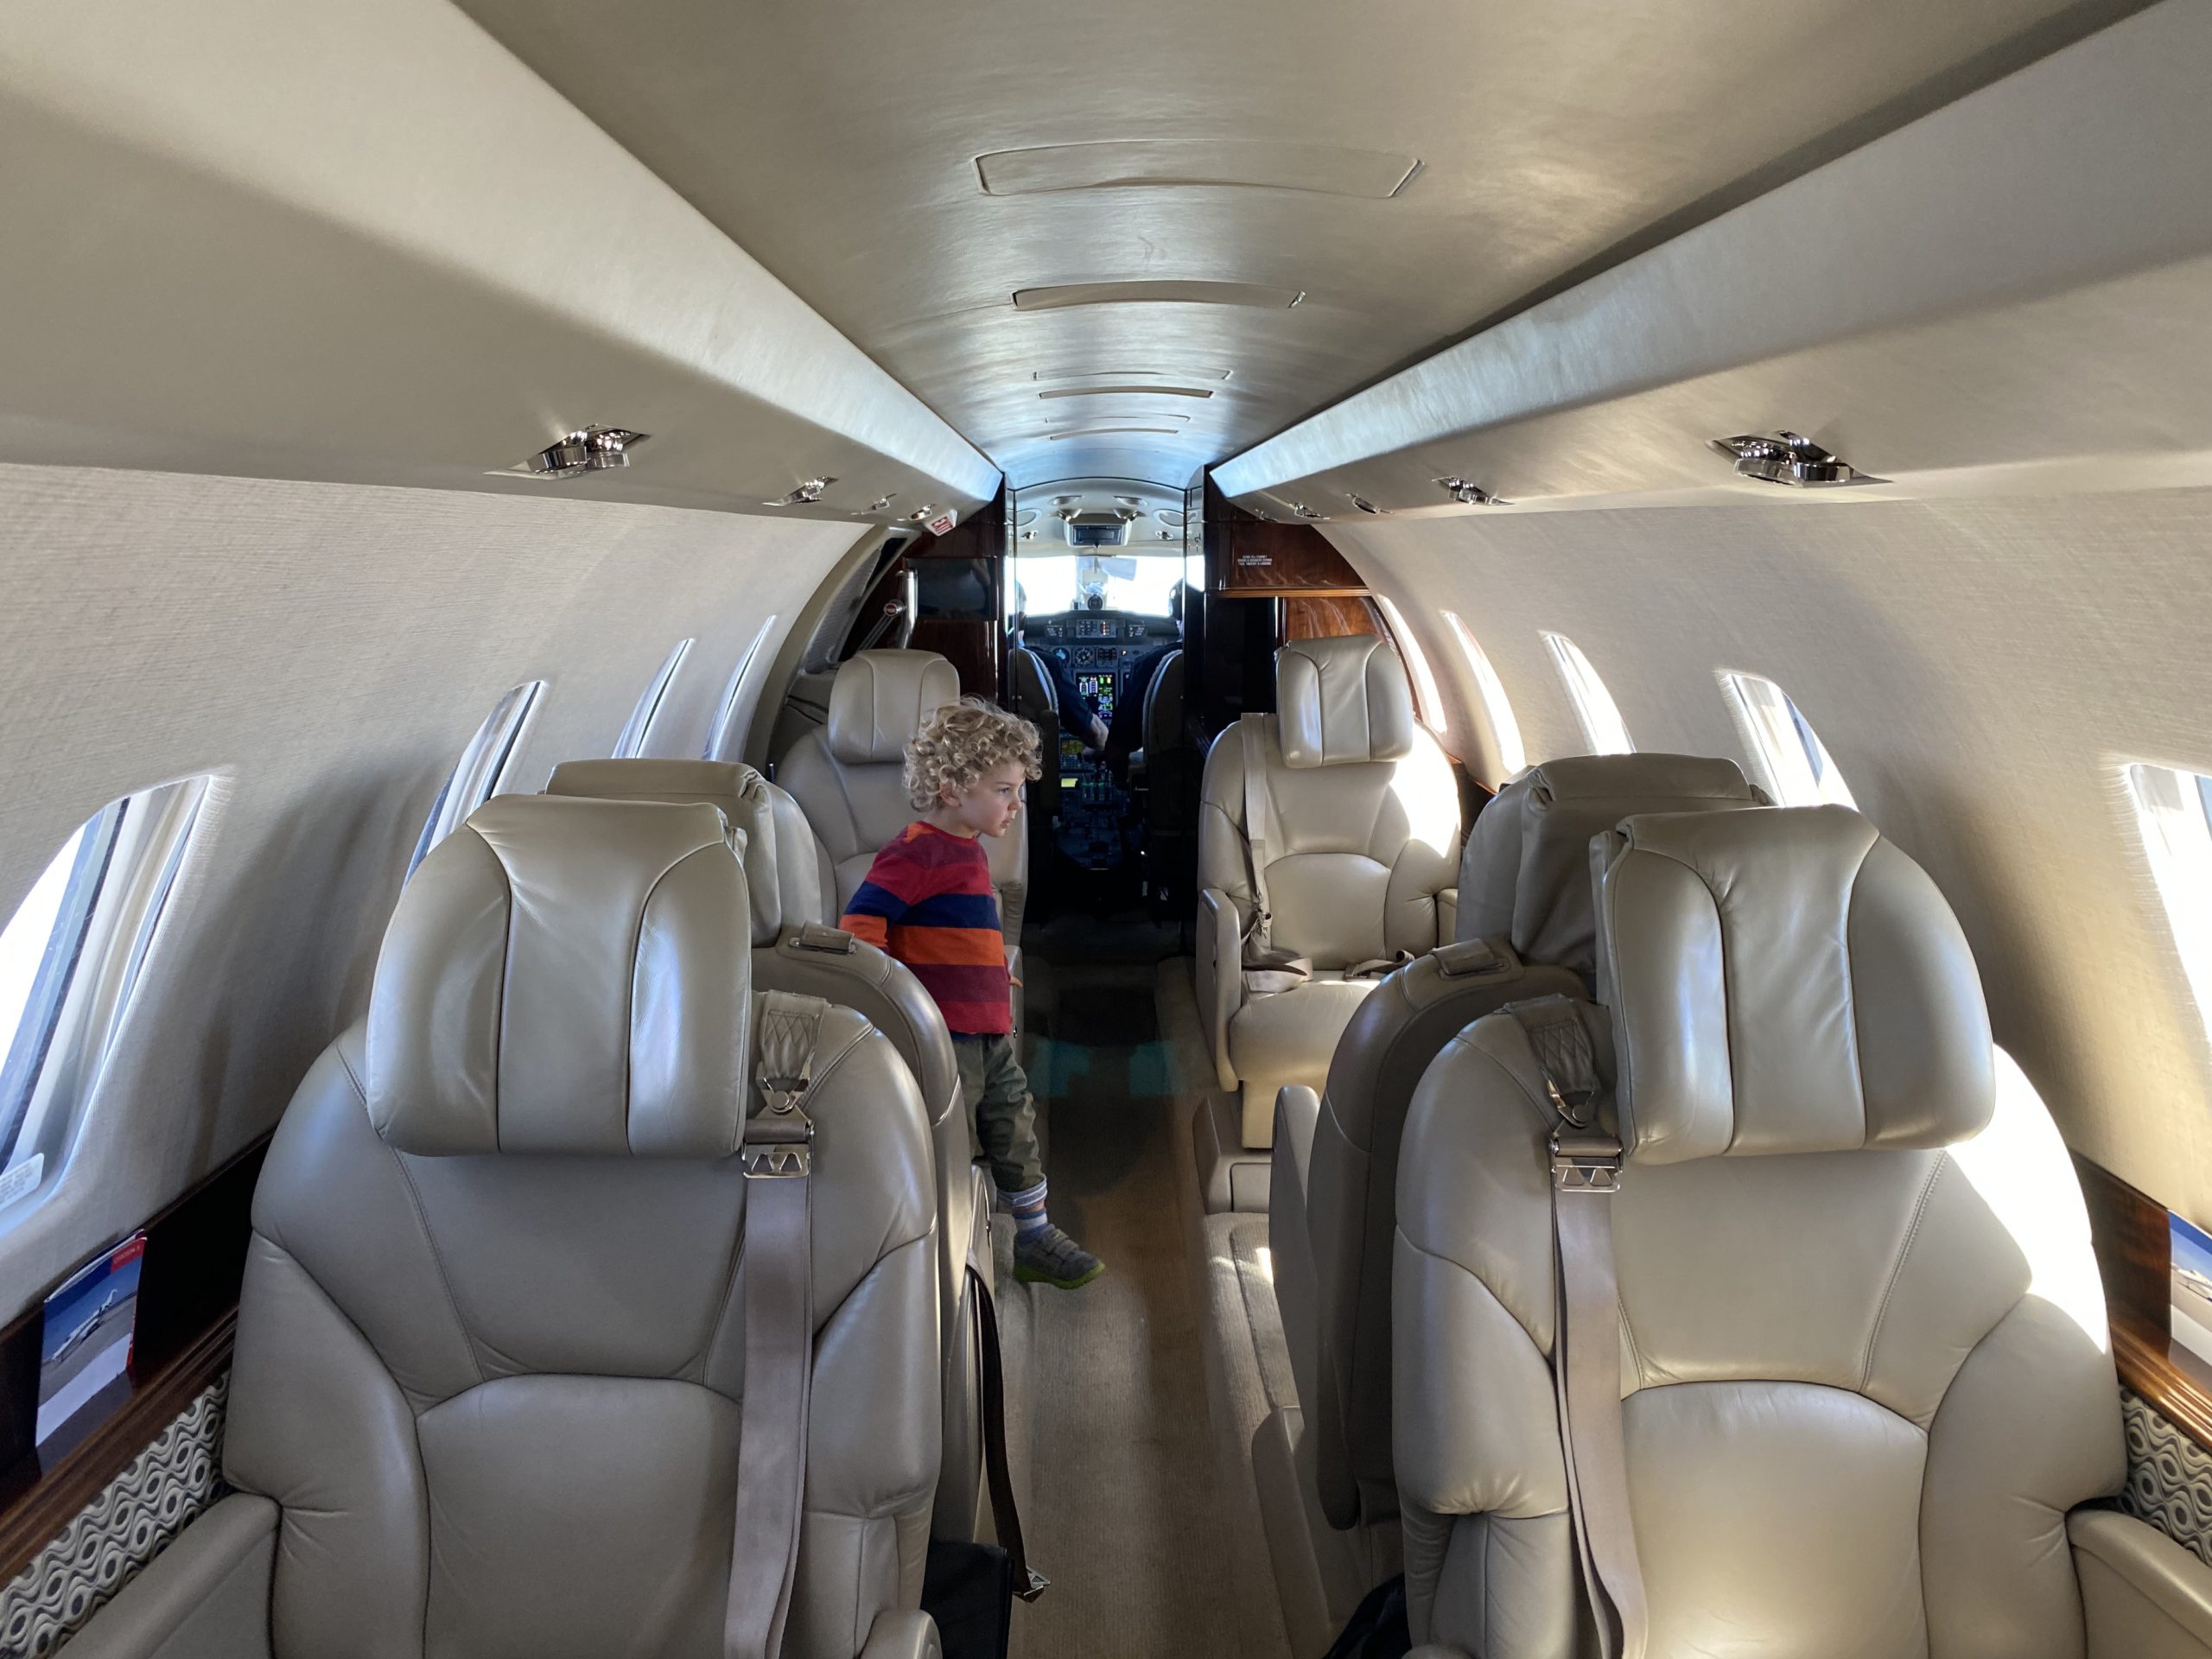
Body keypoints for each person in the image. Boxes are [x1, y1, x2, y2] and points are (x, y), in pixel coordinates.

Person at [839, 697, 1104, 1290]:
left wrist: (990, 974)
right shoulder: (915, 853)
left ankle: (1034, 1234)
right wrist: (902, 1005)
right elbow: (859, 930)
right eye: (1005, 790)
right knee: (953, 1138)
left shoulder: (968, 851)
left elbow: (960, 934)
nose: (1016, 805)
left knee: (1013, 1122)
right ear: (953, 788)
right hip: (944, 1033)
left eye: (1019, 791)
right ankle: (941, 1248)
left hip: (985, 1023)